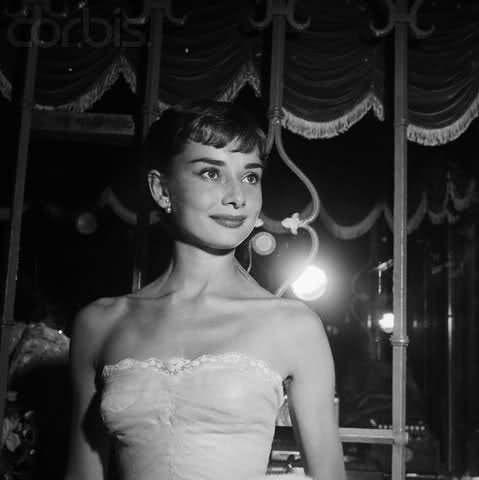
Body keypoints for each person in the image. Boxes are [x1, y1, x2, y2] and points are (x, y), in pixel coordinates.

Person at [65, 100, 346, 480]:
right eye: (211, 173)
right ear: (161, 189)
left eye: (250, 177)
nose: (237, 196)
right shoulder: (99, 323)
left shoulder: (294, 326)